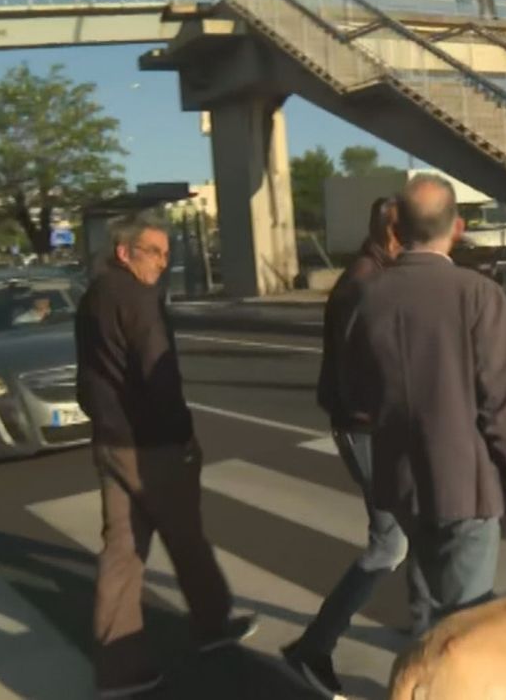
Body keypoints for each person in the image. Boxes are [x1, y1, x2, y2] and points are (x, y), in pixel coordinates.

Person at [344, 174, 506, 633]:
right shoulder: (478, 295)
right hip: (465, 486)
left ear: (398, 227)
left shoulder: (369, 296)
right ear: (457, 226)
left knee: (425, 605)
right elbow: (500, 403)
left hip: (402, 479)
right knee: (466, 626)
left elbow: (358, 393)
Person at [75, 211, 257, 698]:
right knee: (186, 538)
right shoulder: (140, 301)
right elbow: (161, 378)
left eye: (165, 253)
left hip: (110, 442)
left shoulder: (93, 297)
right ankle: (213, 625)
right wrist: (183, 437)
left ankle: (118, 670)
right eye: (153, 252)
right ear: (124, 252)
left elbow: (87, 378)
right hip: (152, 444)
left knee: (121, 552)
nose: (162, 262)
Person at [281, 197, 434, 696]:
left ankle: (425, 630)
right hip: (367, 429)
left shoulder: (380, 275)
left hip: (377, 426)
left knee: (415, 527)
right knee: (393, 541)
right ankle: (314, 648)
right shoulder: (364, 284)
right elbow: (356, 373)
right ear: (394, 231)